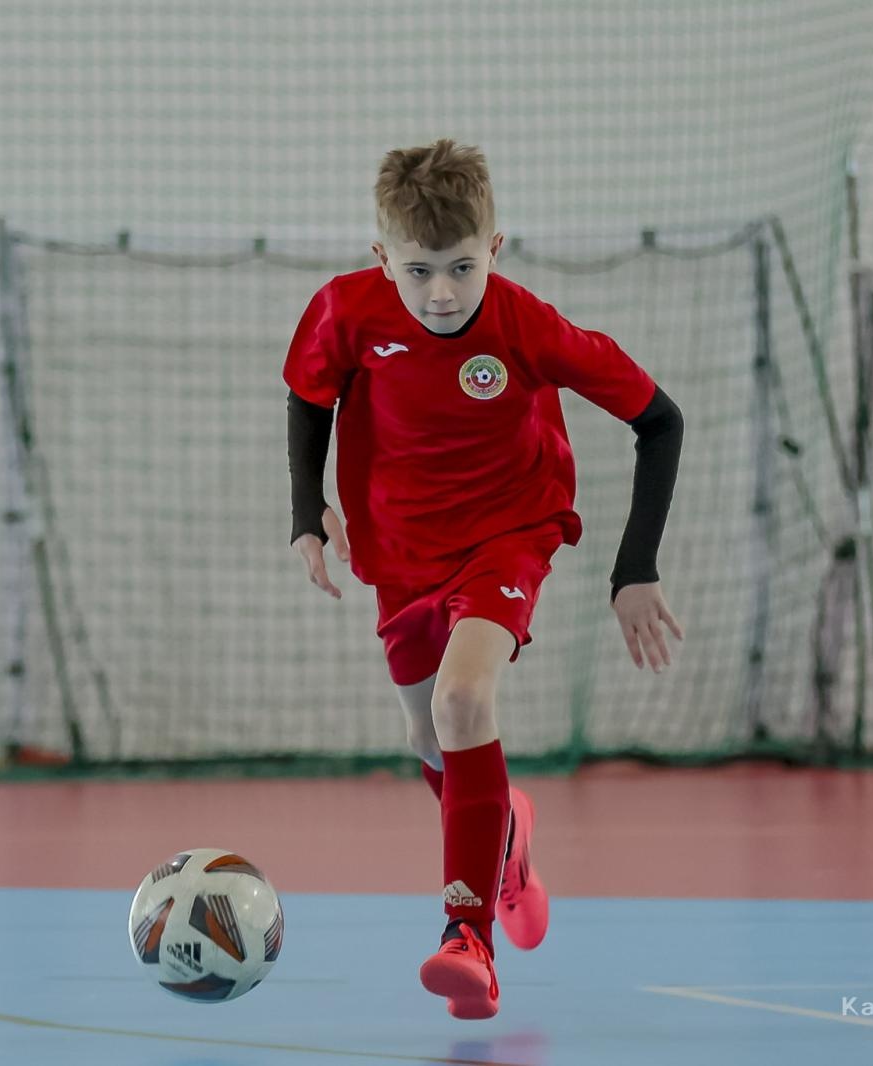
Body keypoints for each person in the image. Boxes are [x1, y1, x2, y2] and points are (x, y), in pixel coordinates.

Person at [283, 139, 685, 1020]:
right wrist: (308, 512)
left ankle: (468, 941)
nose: (442, 293)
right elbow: (311, 398)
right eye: (419, 271)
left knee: (463, 702)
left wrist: (635, 568)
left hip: (507, 535)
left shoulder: (526, 327)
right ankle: (507, 840)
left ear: (495, 248)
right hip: (399, 553)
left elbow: (659, 420)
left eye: (463, 268)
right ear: (381, 257)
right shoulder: (346, 312)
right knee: (431, 742)